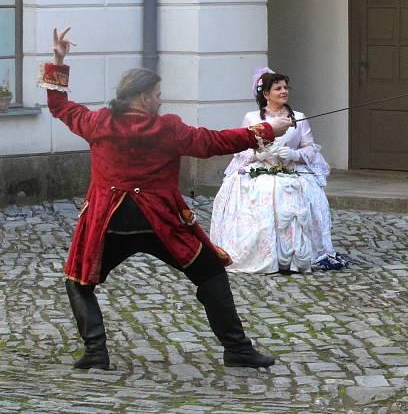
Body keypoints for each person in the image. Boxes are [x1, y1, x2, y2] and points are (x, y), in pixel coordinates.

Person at [42, 28, 294, 370]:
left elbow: (59, 105)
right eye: (157, 95)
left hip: (109, 221)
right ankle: (236, 348)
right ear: (143, 97)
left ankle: (96, 352)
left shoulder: (97, 122)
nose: (160, 100)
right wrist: (267, 130)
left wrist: (58, 60)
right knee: (210, 275)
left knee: (78, 281)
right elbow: (212, 142)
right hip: (160, 221)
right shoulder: (167, 128)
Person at [210, 68, 346, 273]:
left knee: (294, 194)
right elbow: (243, 148)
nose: (283, 91)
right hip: (261, 168)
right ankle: (261, 252)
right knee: (263, 190)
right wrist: (259, 155)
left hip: (291, 169)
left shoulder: (298, 117)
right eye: (278, 88)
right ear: (266, 94)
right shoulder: (252, 117)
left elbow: (309, 147)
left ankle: (294, 256)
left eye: (285, 88)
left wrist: (294, 155)